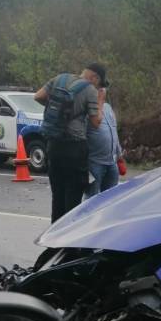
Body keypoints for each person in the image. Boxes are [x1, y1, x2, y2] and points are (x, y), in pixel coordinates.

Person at [34, 63, 108, 222]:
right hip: (75, 148)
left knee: (57, 195)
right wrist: (100, 101)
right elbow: (96, 122)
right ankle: (70, 243)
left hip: (53, 146)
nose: (98, 87)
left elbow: (38, 96)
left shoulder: (59, 78)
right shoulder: (89, 90)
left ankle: (54, 242)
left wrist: (55, 110)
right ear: (95, 77)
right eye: (99, 83)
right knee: (73, 198)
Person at [84, 98, 123, 198]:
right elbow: (81, 136)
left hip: (111, 163)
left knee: (111, 199)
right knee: (91, 200)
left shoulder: (108, 107)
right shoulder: (86, 108)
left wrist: (119, 156)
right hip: (94, 164)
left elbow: (114, 132)